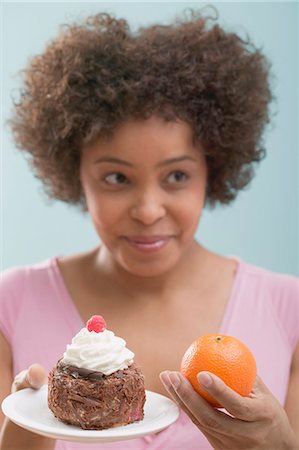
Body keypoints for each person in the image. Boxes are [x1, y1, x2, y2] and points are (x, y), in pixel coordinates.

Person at [0, 9, 298, 450]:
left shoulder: (288, 308)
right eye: (117, 178)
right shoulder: (10, 303)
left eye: (176, 176)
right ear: (71, 172)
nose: (147, 210)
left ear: (213, 169)